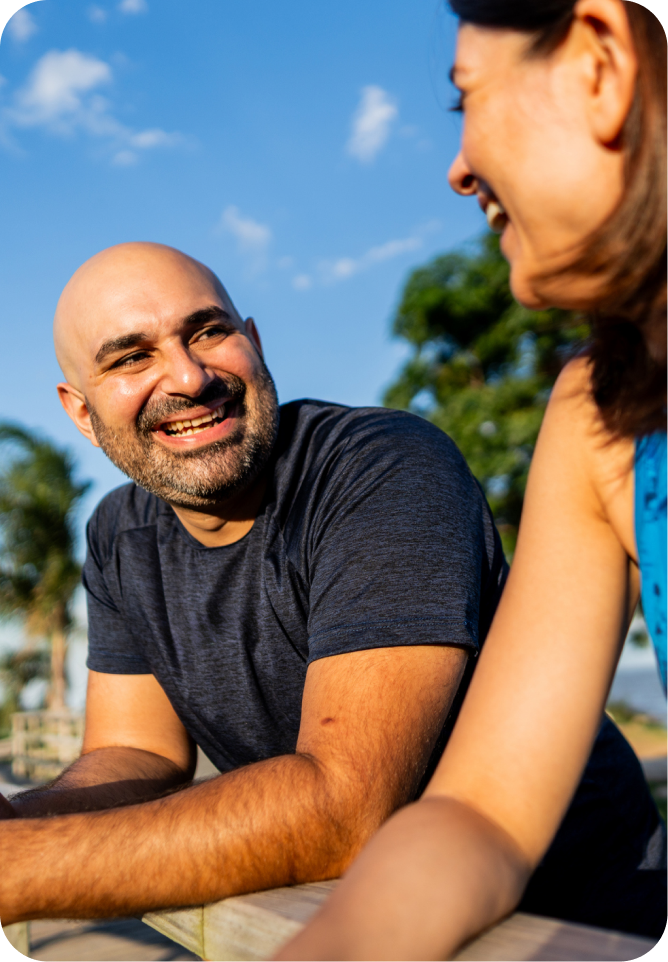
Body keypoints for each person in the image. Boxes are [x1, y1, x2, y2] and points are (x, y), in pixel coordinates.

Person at [0, 242, 661, 930]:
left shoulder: (384, 469)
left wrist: (23, 867)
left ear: (254, 343)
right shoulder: (117, 534)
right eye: (131, 357)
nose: (190, 378)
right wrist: (18, 822)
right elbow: (134, 753)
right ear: (80, 411)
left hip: (582, 920)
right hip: (379, 921)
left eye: (209, 332)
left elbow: (346, 808)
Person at [273, 2, 668, 960]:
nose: (457, 167)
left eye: (467, 98)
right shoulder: (596, 414)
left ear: (599, 63)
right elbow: (482, 811)